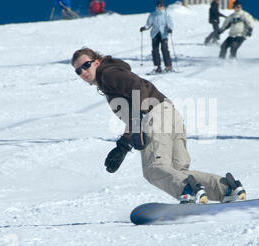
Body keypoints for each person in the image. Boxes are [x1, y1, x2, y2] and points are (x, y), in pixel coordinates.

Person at [71, 47, 247, 204]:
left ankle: (189, 192)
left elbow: (136, 87)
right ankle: (227, 189)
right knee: (177, 171)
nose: (83, 71)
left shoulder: (107, 73)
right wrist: (123, 146)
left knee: (153, 169)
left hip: (154, 115)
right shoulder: (109, 76)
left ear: (97, 62)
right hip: (168, 113)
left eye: (86, 65)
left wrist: (137, 122)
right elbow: (135, 104)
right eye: (78, 71)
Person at [140, 0, 174, 74]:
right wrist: (144, 28)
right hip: (155, 34)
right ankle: (157, 67)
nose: (159, 7)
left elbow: (169, 23)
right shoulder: (152, 15)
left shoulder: (166, 15)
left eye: (160, 6)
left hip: (163, 33)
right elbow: (148, 24)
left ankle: (168, 66)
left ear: (163, 7)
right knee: (155, 50)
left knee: (164, 49)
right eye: (158, 6)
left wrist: (169, 28)